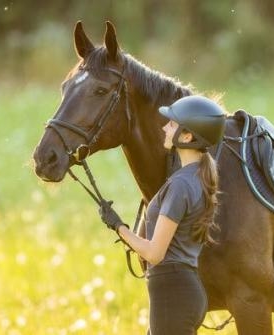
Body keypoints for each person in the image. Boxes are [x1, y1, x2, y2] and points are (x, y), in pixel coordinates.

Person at [99, 95, 226, 335]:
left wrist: (118, 226)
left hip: (173, 296)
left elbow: (154, 254)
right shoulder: (198, 176)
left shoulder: (180, 185)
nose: (164, 127)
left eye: (172, 124)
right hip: (181, 293)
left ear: (187, 136)